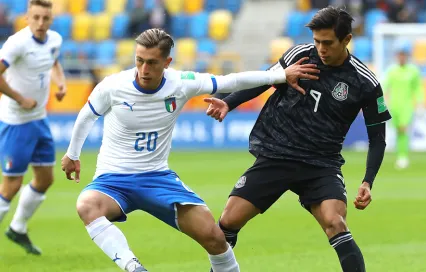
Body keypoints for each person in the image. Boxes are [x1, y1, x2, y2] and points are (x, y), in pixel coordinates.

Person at [61, 28, 309, 272]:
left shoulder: (181, 83)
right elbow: (87, 115)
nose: (144, 69)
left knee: (216, 239)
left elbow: (230, 80)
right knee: (86, 205)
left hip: (157, 178)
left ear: (167, 62)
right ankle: (133, 267)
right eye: (139, 61)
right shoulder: (113, 86)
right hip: (113, 180)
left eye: (151, 62)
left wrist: (278, 76)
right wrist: (73, 154)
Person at [205, 6, 391, 272]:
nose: (320, 49)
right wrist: (228, 103)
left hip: (321, 164)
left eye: (328, 43)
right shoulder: (301, 55)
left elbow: (378, 137)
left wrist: (368, 180)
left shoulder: (365, 82)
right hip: (277, 153)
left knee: (336, 223)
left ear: (346, 39)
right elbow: (265, 80)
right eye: (317, 41)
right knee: (227, 222)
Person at [0, 0, 66, 255]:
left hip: (39, 119)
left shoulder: (55, 40)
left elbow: (53, 62)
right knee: (12, 184)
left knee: (45, 178)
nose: (40, 23)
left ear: (51, 20)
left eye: (45, 18)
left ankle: (17, 228)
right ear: (27, 18)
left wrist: (61, 84)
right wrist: (19, 98)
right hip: (16, 122)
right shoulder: (17, 43)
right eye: (36, 17)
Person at [382, 44, 424, 169]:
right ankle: (400, 155)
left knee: (403, 129)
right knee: (397, 131)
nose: (401, 57)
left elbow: (418, 88)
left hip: (407, 106)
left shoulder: (413, 71)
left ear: (407, 56)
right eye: (399, 55)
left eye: (403, 55)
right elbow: (384, 87)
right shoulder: (391, 70)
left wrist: (420, 103)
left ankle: (403, 157)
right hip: (393, 106)